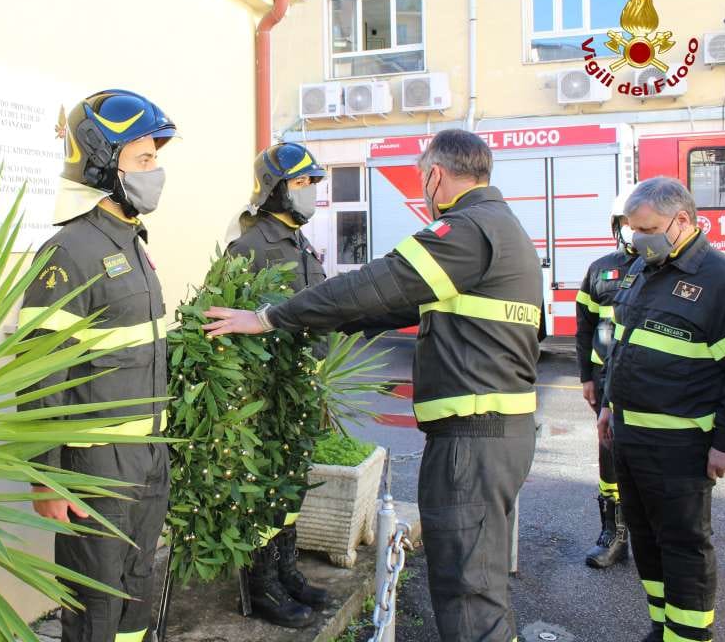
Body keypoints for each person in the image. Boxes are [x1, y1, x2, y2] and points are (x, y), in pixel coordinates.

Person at [204, 129, 542, 642]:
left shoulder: (467, 229)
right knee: (476, 584)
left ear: (434, 176)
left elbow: (376, 285)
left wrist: (270, 319)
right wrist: (310, 320)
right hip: (491, 435)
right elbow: (390, 306)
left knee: (470, 592)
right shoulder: (499, 225)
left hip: (475, 440)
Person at [19, 89, 176, 642]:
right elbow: (40, 373)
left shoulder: (133, 243)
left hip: (148, 460)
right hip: (96, 471)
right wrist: (47, 476)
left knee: (136, 593)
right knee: (95, 609)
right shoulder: (71, 251)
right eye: (144, 160)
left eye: (155, 160)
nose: (155, 172)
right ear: (104, 163)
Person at [599, 177, 725, 642]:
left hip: (681, 444)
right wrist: (608, 404)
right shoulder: (646, 268)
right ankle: (663, 626)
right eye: (632, 230)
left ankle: (689, 637)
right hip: (629, 435)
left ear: (682, 221)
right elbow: (622, 344)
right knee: (646, 541)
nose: (637, 238)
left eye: (647, 228)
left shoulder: (723, 279)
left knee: (683, 546)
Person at [225, 142, 328, 628]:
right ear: (275, 189)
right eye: (302, 184)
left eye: (312, 184)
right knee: (264, 489)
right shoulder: (249, 246)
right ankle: (261, 584)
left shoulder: (300, 242)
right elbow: (223, 322)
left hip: (300, 391)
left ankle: (286, 571)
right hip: (265, 397)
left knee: (291, 488)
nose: (310, 194)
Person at [575, 185, 638, 568]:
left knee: (652, 460)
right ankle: (613, 533)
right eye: (625, 222)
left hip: (649, 384)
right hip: (603, 381)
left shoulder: (663, 271)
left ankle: (658, 536)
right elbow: (584, 328)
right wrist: (586, 377)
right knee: (609, 453)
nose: (632, 228)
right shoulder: (601, 270)